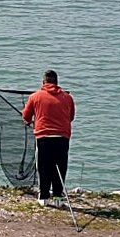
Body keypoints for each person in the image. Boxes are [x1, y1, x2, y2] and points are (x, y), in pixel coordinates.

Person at [21, 70, 75, 203]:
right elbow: (71, 117)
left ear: (43, 82)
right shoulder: (68, 98)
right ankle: (58, 195)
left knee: (44, 166)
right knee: (60, 166)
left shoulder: (35, 96)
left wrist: (29, 121)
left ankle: (44, 196)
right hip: (62, 137)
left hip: (43, 137)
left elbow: (26, 116)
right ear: (57, 82)